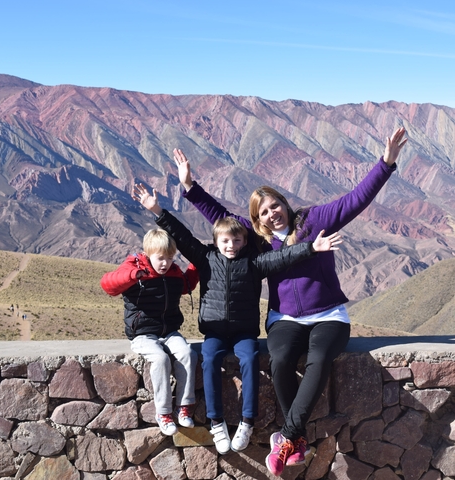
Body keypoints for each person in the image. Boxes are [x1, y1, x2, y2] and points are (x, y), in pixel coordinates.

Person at [173, 126, 408, 474]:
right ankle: (295, 441)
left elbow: (356, 199)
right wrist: (190, 186)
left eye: (275, 205)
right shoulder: (256, 240)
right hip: (284, 317)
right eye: (263, 212)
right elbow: (216, 214)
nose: (272, 214)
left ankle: (287, 437)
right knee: (281, 359)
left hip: (328, 315)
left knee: (319, 358)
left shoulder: (314, 221)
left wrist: (385, 163)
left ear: (284, 203)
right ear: (256, 220)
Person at [132, 183, 343, 455]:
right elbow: (181, 236)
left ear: (245, 241)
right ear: (215, 241)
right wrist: (157, 210)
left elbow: (284, 256)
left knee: (251, 359)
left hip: (245, 333)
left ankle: (247, 422)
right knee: (209, 360)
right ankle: (216, 423)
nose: (231, 246)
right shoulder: (205, 258)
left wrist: (311, 248)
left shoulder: (254, 263)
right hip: (214, 333)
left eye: (237, 240)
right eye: (225, 241)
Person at [100, 228, 199, 436]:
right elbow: (108, 284)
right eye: (160, 258)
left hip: (169, 330)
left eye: (170, 258)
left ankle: (184, 407)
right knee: (160, 359)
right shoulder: (134, 267)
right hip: (142, 333)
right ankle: (163, 413)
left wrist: (196, 265)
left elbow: (186, 285)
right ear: (148, 254)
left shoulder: (172, 272)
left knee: (188, 354)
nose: (165, 263)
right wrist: (131, 276)